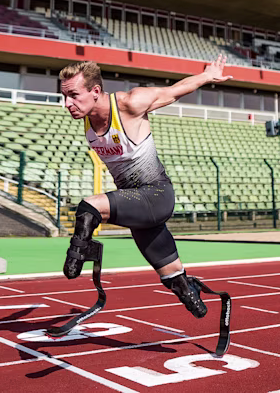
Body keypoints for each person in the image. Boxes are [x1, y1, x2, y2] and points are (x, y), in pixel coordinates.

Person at [58, 54, 233, 318]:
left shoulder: (130, 103)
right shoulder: (86, 118)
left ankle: (77, 258)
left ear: (95, 91)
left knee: (88, 208)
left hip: (156, 194)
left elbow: (174, 91)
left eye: (73, 95)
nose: (67, 104)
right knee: (172, 276)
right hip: (138, 206)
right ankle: (191, 292)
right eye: (64, 96)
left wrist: (208, 75)